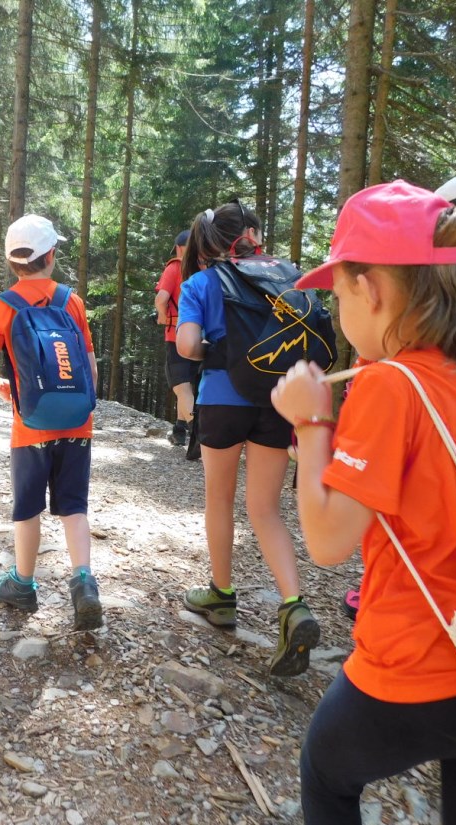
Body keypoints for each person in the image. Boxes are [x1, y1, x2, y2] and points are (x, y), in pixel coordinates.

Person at [271, 180, 456, 823]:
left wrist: (313, 425)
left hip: (416, 661)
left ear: (370, 289)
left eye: (338, 294)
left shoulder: (390, 385)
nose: (339, 310)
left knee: (326, 773)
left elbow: (329, 540)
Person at [175, 200, 320, 677]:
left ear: (211, 243)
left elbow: (188, 346)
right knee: (265, 508)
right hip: (278, 400)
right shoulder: (285, 276)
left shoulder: (200, 282)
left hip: (222, 396)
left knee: (219, 500)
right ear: (253, 234)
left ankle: (221, 595)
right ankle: (294, 604)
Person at [0, 214, 103, 631]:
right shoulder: (73, 301)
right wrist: (85, 407)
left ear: (13, 261)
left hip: (29, 425)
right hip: (77, 425)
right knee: (74, 507)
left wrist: (10, 396)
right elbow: (89, 366)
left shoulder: (2, 305)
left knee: (27, 508)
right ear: (50, 256)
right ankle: (83, 581)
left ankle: (23, 584)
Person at [155, 229, 196, 448]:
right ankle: (179, 429)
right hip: (203, 336)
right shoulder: (207, 269)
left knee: (181, 385)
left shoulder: (175, 267)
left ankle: (197, 433)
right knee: (189, 383)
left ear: (180, 248)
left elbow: (162, 298)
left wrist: (162, 315)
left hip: (177, 334)